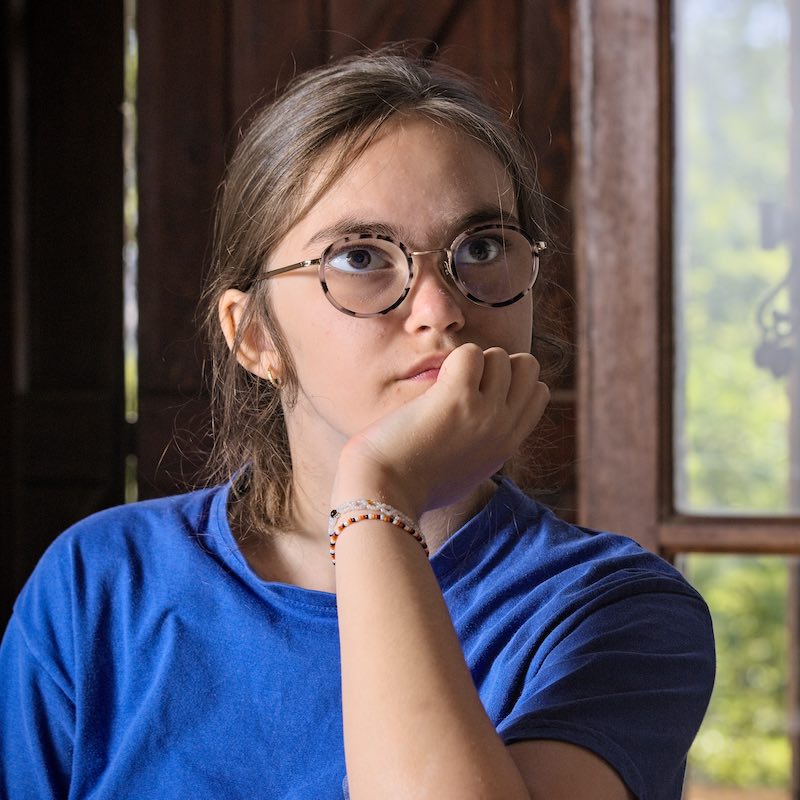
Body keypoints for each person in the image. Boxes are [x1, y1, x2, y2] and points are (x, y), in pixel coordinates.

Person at [0, 47, 714, 800]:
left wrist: (376, 496)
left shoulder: (614, 612)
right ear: (256, 337)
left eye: (481, 248)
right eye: (361, 256)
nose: (441, 310)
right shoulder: (103, 585)